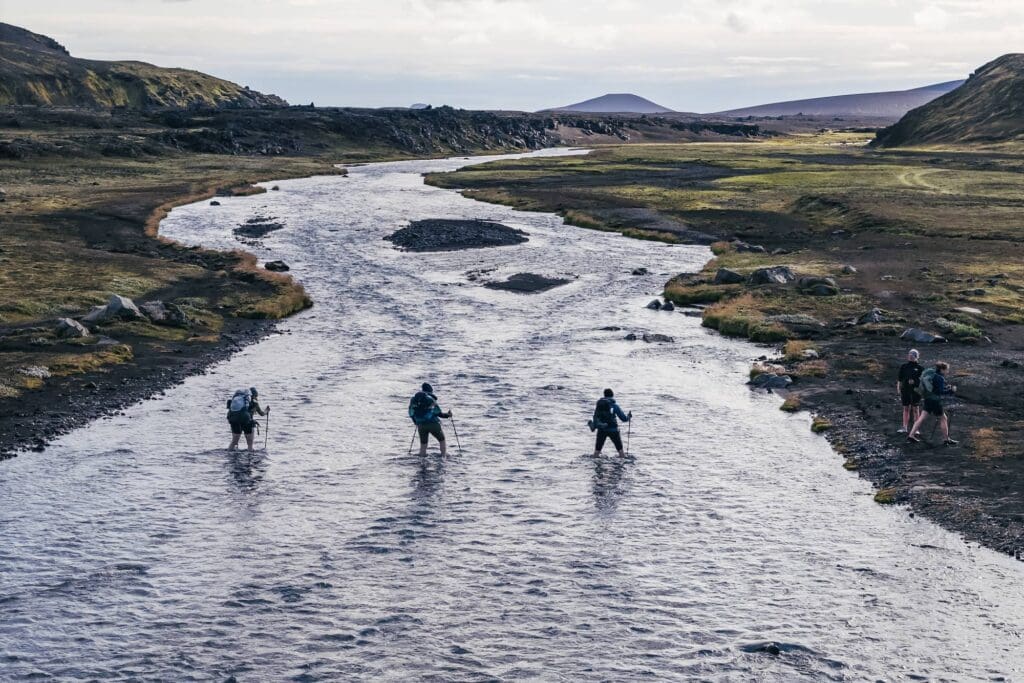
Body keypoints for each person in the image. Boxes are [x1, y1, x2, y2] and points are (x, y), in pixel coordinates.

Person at [907, 362, 957, 446]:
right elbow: (939, 392)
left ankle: (911, 435)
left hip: (927, 399)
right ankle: (946, 439)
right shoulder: (940, 378)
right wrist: (951, 391)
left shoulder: (932, 376)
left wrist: (945, 388)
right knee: (943, 418)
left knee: (921, 418)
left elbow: (934, 388)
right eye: (946, 370)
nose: (947, 371)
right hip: (935, 401)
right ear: (942, 369)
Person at [409, 383, 452, 456]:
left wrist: (416, 422)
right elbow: (439, 413)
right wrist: (448, 415)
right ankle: (443, 456)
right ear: (431, 391)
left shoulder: (415, 400)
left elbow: (411, 413)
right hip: (433, 424)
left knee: (423, 445)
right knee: (442, 440)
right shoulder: (431, 399)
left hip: (421, 425)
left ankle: (422, 458)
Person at [588, 388, 632, 457]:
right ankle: (621, 463)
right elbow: (623, 419)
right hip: (613, 430)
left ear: (604, 395)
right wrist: (628, 417)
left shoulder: (599, 405)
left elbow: (596, 417)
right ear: (612, 395)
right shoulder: (615, 406)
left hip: (602, 430)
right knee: (620, 451)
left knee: (597, 451)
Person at [226, 387, 269, 452]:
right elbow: (262, 413)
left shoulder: (237, 401)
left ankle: (229, 454)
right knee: (250, 443)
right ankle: (250, 457)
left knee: (234, 441)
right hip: (247, 421)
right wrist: (267, 410)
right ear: (254, 395)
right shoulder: (254, 402)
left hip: (234, 420)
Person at [896, 349, 924, 434]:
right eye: (910, 355)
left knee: (915, 408)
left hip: (916, 391)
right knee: (906, 408)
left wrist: (915, 382)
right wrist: (898, 388)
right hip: (905, 389)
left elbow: (923, 381)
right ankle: (905, 427)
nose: (911, 356)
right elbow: (900, 379)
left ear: (916, 357)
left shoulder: (920, 368)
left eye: (913, 355)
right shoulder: (904, 366)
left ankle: (916, 428)